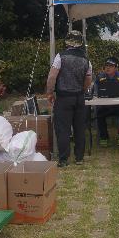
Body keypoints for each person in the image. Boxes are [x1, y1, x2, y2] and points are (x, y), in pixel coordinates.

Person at [46, 30, 92, 167]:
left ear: (67, 42)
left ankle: (64, 160)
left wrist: (49, 92)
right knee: (79, 128)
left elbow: (52, 77)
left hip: (64, 97)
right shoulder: (86, 59)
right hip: (79, 97)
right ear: (80, 43)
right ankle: (79, 158)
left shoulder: (60, 56)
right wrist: (82, 90)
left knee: (63, 129)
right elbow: (88, 79)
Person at [95, 57, 119, 146]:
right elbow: (95, 89)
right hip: (105, 105)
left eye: (111, 66)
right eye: (106, 66)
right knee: (99, 113)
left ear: (116, 68)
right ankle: (104, 137)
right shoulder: (100, 77)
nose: (108, 68)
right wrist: (97, 93)